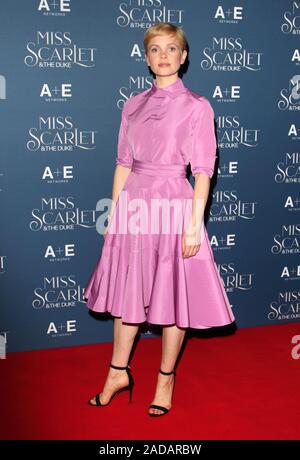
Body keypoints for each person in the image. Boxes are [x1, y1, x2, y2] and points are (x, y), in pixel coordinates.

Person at [84, 23, 236, 416]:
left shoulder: (198, 106)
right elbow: (122, 163)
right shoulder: (131, 104)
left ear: (184, 57)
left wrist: (193, 223)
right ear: (147, 56)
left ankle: (165, 379)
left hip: (173, 206)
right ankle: (118, 372)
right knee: (125, 297)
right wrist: (113, 216)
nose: (164, 55)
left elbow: (203, 170)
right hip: (134, 206)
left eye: (172, 48)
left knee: (173, 298)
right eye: (155, 49)